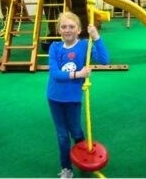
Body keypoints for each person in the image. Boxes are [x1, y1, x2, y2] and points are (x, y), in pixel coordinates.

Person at [46, 12, 109, 178]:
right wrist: (78, 74)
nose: (68, 30)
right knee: (62, 135)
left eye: (72, 26)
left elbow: (104, 60)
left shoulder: (84, 46)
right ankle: (66, 168)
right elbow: (56, 74)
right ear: (59, 29)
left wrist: (96, 37)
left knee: (76, 131)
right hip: (54, 98)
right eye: (64, 26)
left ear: (79, 29)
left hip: (73, 99)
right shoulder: (55, 47)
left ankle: (83, 159)